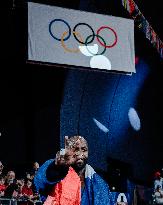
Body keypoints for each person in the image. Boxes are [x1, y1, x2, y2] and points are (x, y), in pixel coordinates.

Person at [34, 135, 114, 205]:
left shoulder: (100, 184)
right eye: (75, 149)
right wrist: (57, 167)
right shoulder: (57, 170)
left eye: (84, 149)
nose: (80, 153)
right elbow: (41, 182)